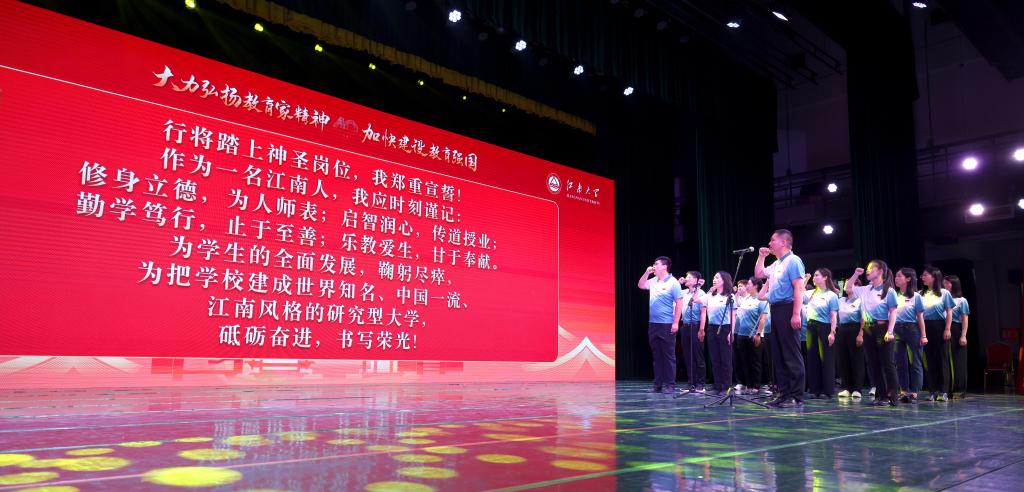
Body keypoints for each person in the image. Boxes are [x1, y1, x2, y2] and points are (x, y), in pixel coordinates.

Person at [755, 229, 806, 409]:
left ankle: (796, 396)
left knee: (791, 354)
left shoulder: (793, 260)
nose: (769, 243)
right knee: (778, 355)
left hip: (788, 308)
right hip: (775, 309)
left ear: (784, 242)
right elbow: (759, 274)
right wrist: (761, 256)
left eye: (772, 240)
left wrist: (796, 313)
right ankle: (784, 394)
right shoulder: (777, 263)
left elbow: (798, 288)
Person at [846, 260, 900, 407]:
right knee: (873, 364)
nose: (868, 271)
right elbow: (848, 288)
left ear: (880, 271)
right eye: (867, 268)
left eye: (871, 268)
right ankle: (881, 395)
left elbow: (893, 312)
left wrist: (890, 331)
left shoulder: (889, 291)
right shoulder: (865, 289)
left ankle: (892, 395)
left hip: (883, 328)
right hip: (868, 329)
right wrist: (855, 274)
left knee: (887, 363)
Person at [638, 256, 683, 394]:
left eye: (656, 264)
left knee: (669, 356)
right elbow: (640, 285)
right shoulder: (653, 280)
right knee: (656, 356)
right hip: (653, 324)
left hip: (667, 324)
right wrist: (646, 272)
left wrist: (676, 322)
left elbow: (679, 303)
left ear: (664, 266)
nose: (654, 266)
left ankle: (670, 385)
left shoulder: (674, 283)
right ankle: (657, 385)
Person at [920, 266, 955, 402]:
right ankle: (932, 391)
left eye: (925, 275)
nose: (923, 277)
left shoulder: (944, 293)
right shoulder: (920, 294)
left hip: (940, 326)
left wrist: (947, 329)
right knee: (930, 360)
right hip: (925, 327)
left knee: (942, 359)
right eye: (922, 275)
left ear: (934, 277)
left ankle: (943, 391)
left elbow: (949, 312)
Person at [892, 268, 926, 404]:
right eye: (895, 276)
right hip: (896, 330)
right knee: (900, 363)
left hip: (912, 330)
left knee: (915, 362)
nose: (896, 278)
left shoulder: (916, 297)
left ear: (908, 279)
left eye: (899, 276)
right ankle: (904, 391)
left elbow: (920, 317)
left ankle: (914, 392)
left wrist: (923, 335)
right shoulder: (894, 295)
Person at [805, 268, 840, 400]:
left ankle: (827, 391)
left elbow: (833, 315)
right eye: (814, 275)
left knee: (826, 359)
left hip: (824, 327)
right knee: (812, 358)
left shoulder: (831, 295)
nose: (814, 277)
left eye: (817, 275)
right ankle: (815, 390)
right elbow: (798, 292)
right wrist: (806, 279)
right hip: (810, 327)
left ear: (825, 277)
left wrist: (832, 332)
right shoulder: (811, 293)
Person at [703, 271, 737, 395]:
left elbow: (733, 315)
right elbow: (696, 300)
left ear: (724, 280)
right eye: (714, 277)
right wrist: (701, 288)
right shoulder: (710, 296)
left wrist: (731, 332)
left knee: (725, 359)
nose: (714, 279)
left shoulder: (730, 296)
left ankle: (726, 386)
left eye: (717, 277)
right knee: (715, 359)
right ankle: (717, 385)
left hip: (725, 328)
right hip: (712, 328)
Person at [734, 278, 768, 394]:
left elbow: (763, 319)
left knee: (755, 362)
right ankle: (748, 385)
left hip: (754, 335)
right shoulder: (745, 299)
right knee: (745, 361)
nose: (747, 286)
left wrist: (758, 333)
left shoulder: (761, 300)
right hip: (741, 335)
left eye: (749, 284)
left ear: (756, 286)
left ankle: (756, 386)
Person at [678, 271, 707, 393]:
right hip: (685, 326)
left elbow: (703, 312)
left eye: (689, 277)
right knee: (688, 356)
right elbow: (672, 295)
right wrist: (678, 282)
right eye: (686, 277)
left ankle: (701, 384)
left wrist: (701, 329)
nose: (686, 279)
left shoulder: (701, 293)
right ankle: (691, 383)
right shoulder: (683, 292)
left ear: (696, 280)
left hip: (696, 326)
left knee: (698, 356)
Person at [835, 279, 865, 399]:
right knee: (843, 359)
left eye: (851, 284)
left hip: (855, 328)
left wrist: (861, 333)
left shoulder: (860, 300)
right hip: (842, 329)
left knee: (856, 359)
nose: (847, 286)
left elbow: (863, 318)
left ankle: (857, 388)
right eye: (846, 284)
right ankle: (846, 387)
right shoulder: (841, 300)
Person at [944, 275, 970, 399]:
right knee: (946, 360)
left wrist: (963, 335)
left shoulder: (961, 300)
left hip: (956, 329)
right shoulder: (942, 298)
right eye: (944, 283)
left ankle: (959, 390)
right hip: (944, 328)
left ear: (953, 284)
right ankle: (946, 389)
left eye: (947, 283)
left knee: (958, 360)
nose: (944, 285)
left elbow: (965, 319)